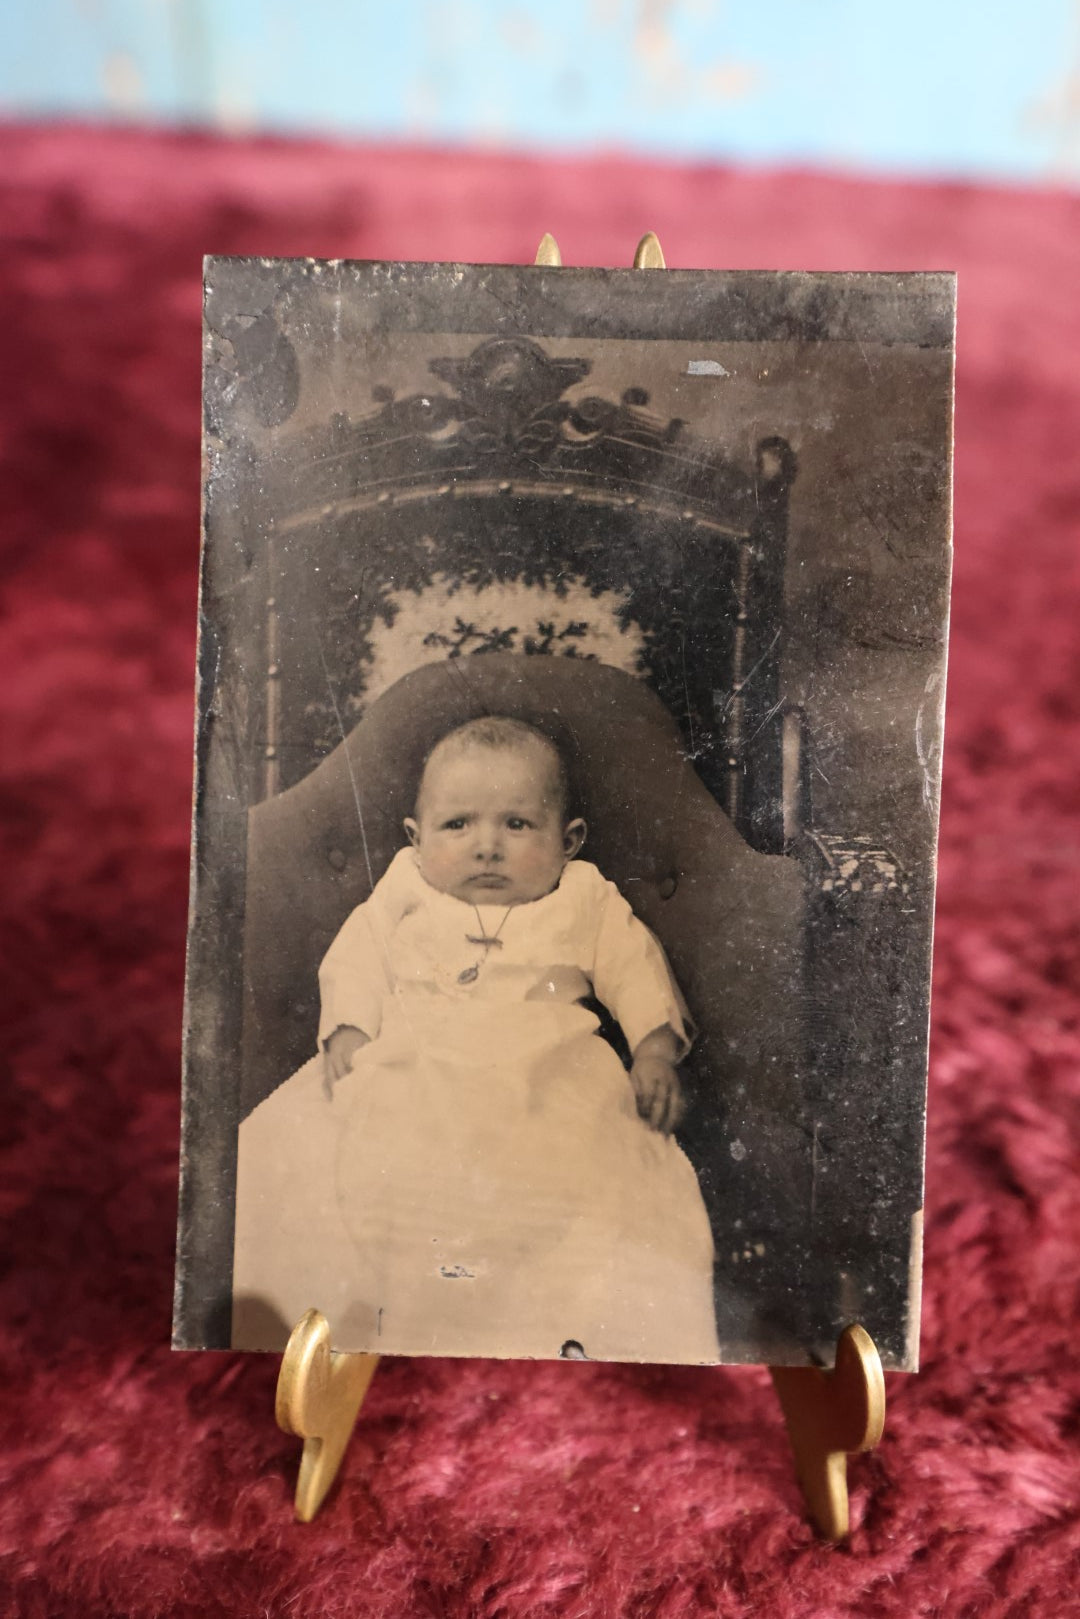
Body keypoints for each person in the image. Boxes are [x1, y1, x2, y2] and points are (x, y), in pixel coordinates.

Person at [232, 717, 719, 1363]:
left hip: (548, 1060)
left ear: (567, 839)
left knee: (597, 1171)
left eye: (516, 825)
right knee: (316, 1146)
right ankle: (352, 1321)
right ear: (417, 836)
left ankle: (554, 1327)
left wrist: (653, 1049)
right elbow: (358, 956)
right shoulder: (406, 887)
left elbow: (633, 966)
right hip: (415, 1052)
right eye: (458, 825)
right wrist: (350, 1027)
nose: (486, 847)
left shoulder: (582, 895)